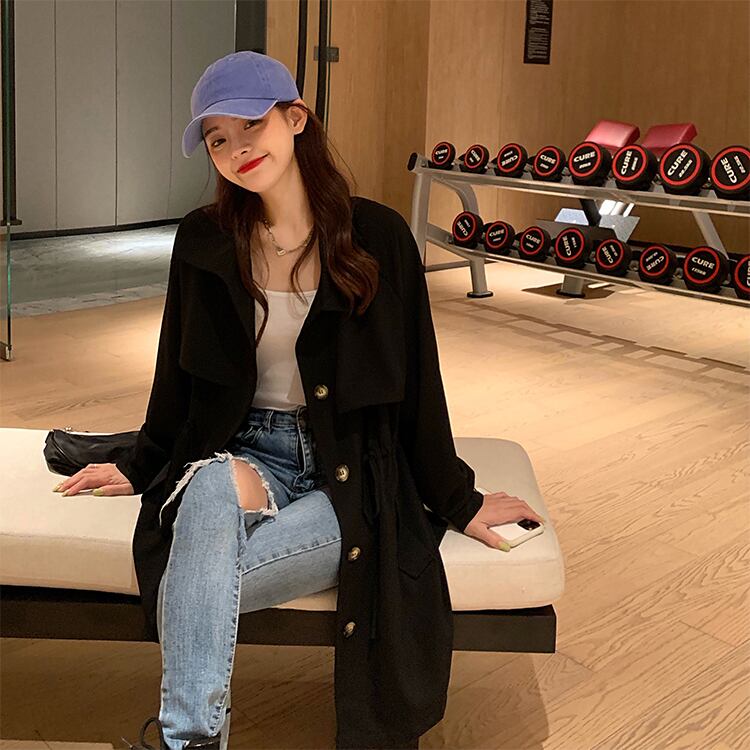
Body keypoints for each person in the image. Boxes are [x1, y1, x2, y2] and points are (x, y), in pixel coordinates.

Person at [53, 51, 544, 750]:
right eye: (217, 139)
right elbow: (175, 376)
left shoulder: (378, 237)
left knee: (193, 573)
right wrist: (141, 463)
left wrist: (457, 500)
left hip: (355, 467)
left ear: (296, 119)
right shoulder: (204, 239)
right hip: (250, 450)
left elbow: (419, 385)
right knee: (205, 491)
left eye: (250, 125)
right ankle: (192, 739)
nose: (236, 149)